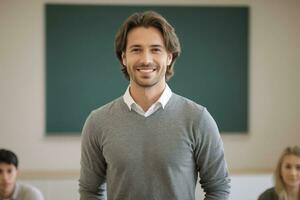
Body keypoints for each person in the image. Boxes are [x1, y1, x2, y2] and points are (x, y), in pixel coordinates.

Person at [79, 10, 230, 200]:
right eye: (136, 49)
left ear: (169, 57)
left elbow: (218, 189)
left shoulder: (198, 119)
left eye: (156, 49)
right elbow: (90, 192)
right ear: (123, 57)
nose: (146, 59)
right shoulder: (97, 122)